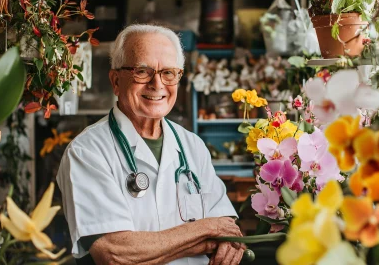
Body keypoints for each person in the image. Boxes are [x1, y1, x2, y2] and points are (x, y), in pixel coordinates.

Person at [56, 24, 246, 265]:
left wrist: (219, 236)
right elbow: (115, 254)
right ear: (116, 81)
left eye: (168, 73)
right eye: (142, 71)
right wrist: (205, 231)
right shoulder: (87, 152)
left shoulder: (193, 146)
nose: (157, 85)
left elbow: (228, 232)